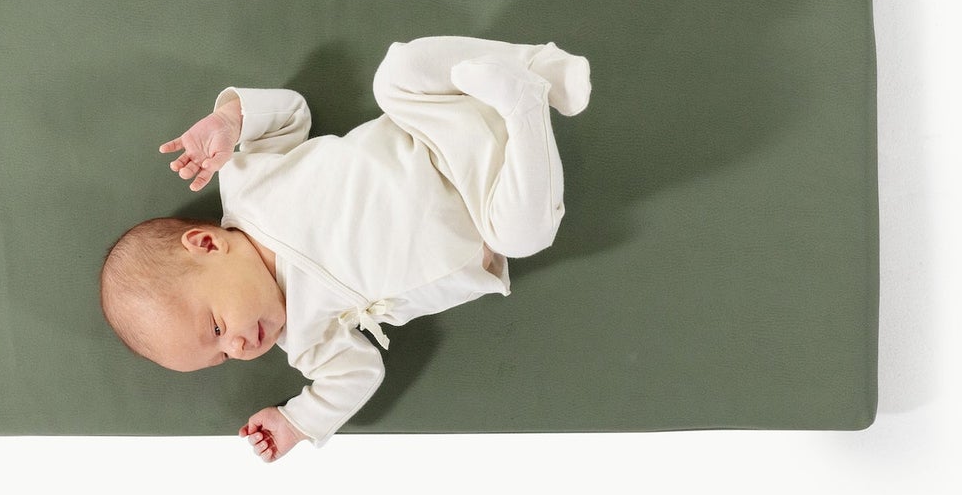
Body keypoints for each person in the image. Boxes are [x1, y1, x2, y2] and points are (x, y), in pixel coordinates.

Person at [99, 36, 592, 461]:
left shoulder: (248, 184)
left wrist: (232, 121)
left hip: (433, 131)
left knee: (397, 72)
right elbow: (361, 372)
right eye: (223, 355)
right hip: (486, 214)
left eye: (217, 327)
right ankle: (526, 103)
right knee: (524, 236)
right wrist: (297, 422)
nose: (239, 347)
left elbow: (292, 111)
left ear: (206, 244)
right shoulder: (307, 341)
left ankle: (538, 65)